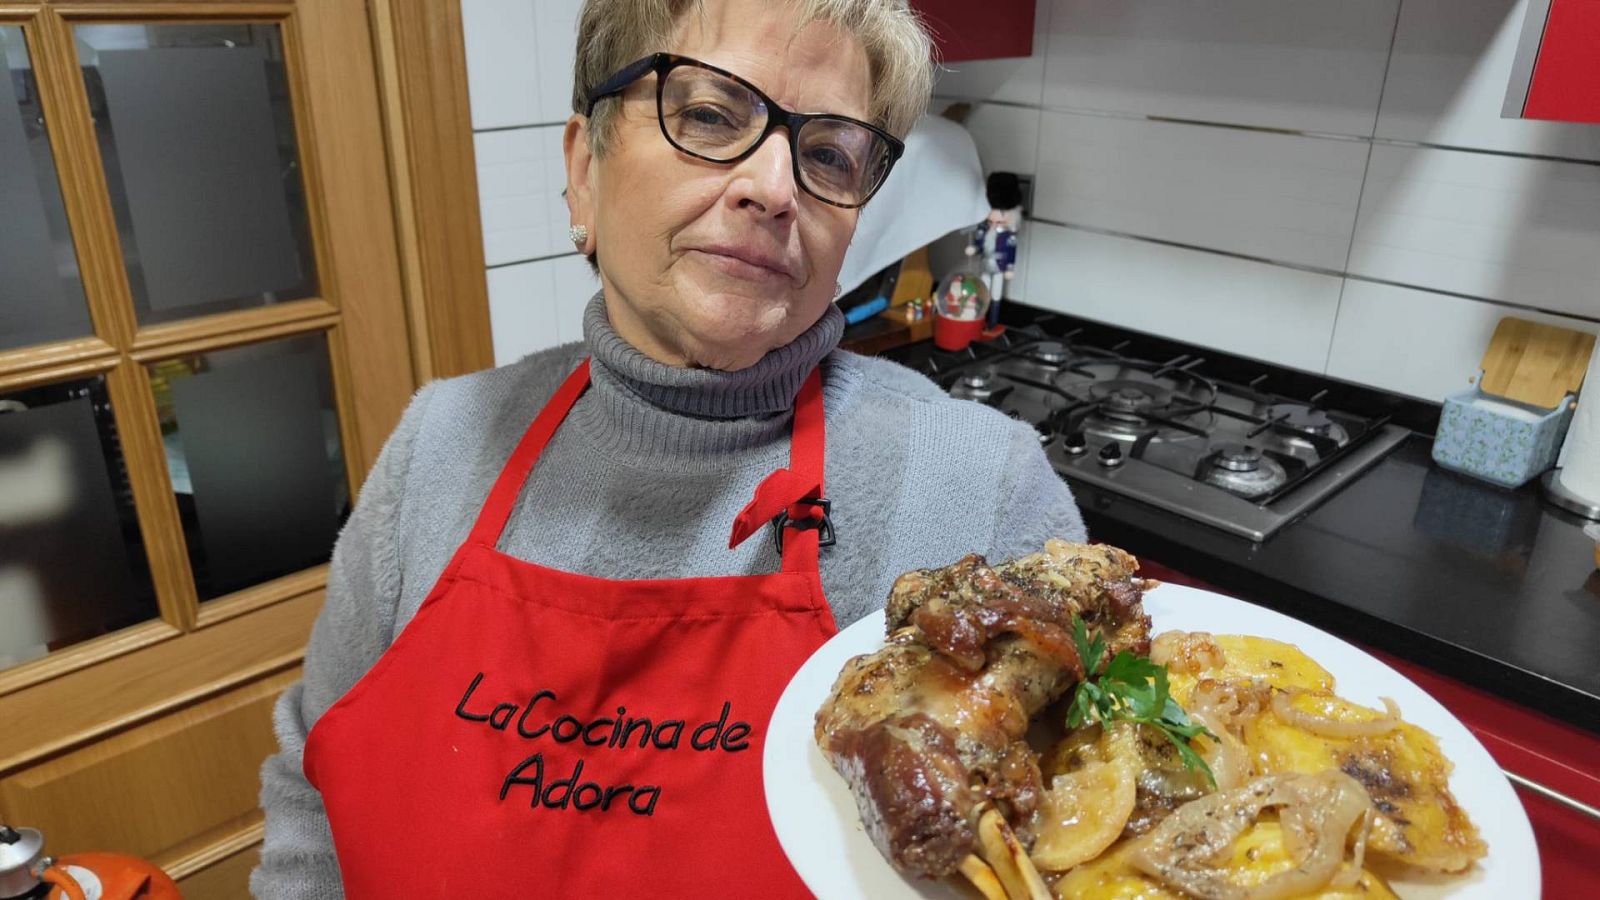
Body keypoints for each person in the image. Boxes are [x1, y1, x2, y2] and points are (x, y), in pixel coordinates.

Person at [250, 0, 1086, 896]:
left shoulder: (984, 487)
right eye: (710, 115)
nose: (774, 187)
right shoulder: (439, 446)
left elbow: (1083, 851)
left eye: (829, 154)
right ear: (584, 168)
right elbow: (313, 809)